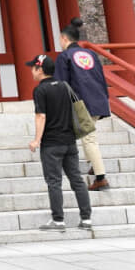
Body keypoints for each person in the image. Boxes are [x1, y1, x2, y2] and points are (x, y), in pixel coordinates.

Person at [27, 54, 92, 231]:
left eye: (33, 68)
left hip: (51, 143)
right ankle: (86, 218)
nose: (31, 71)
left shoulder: (40, 90)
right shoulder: (64, 86)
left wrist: (36, 140)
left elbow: (41, 115)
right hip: (70, 140)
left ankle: (58, 219)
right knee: (77, 179)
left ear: (40, 69)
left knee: (54, 181)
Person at [55, 17, 112, 190]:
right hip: (97, 99)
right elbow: (101, 78)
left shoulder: (65, 56)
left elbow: (61, 84)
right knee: (89, 135)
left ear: (65, 38)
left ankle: (101, 177)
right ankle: (94, 165)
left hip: (80, 102)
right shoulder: (91, 54)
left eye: (60, 39)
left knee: (88, 139)